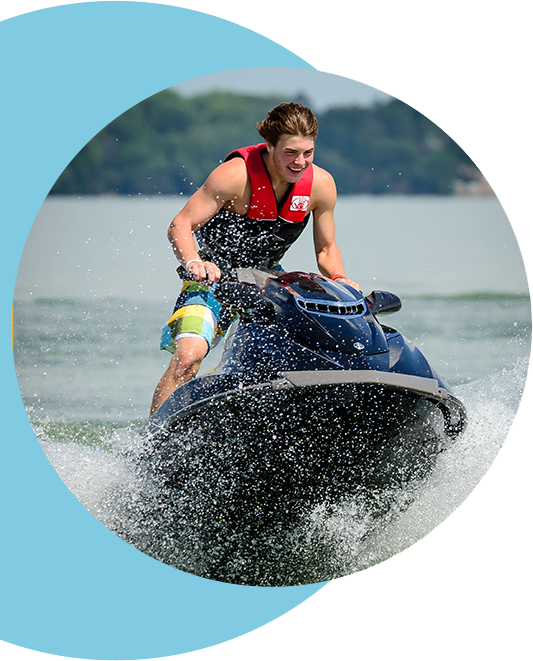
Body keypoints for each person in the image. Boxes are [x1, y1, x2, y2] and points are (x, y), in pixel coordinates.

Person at [150, 102, 359, 415]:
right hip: (214, 280)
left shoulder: (321, 185)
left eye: (307, 153)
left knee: (311, 353)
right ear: (270, 145)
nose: (300, 162)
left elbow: (327, 249)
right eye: (290, 152)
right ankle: (153, 445)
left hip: (268, 283)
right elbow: (181, 224)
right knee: (188, 358)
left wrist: (340, 280)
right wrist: (194, 262)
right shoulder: (234, 176)